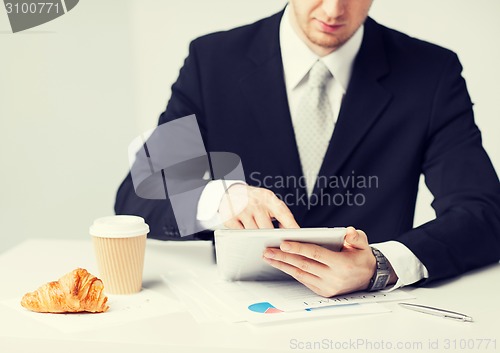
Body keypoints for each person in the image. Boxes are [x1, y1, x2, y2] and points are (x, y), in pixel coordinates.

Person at [115, 0, 500, 297]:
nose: (334, 10)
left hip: (374, 312)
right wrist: (220, 199)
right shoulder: (213, 61)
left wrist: (381, 265)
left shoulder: (431, 72)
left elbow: (483, 214)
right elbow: (140, 191)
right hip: (239, 310)